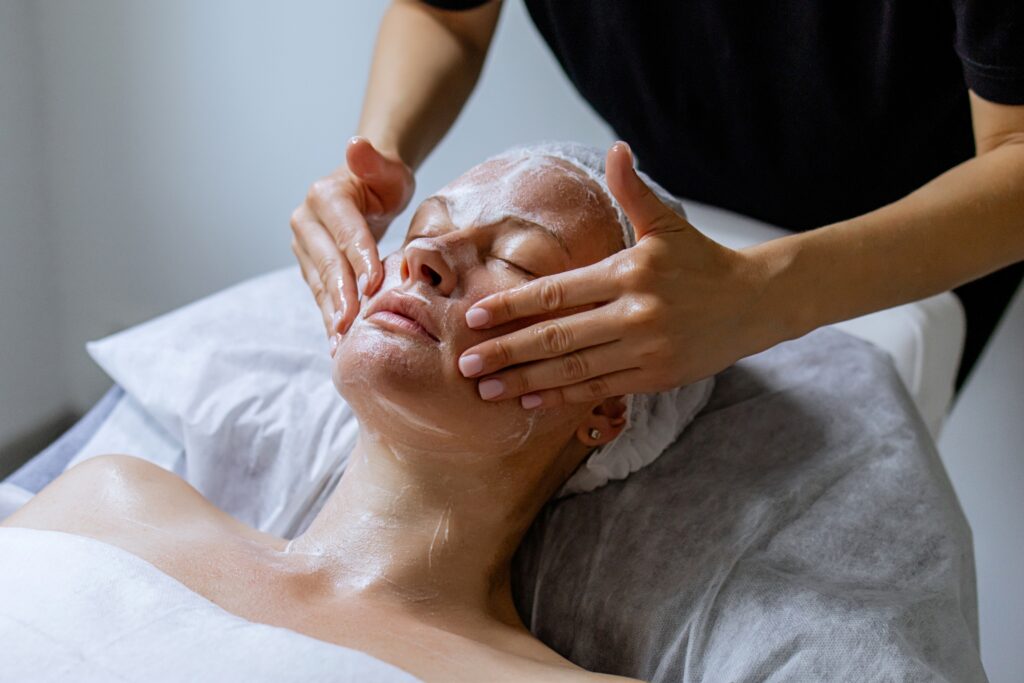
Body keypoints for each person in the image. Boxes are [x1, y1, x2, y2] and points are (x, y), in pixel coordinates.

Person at [1, 146, 697, 682]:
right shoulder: (111, 499)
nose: (424, 254)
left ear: (605, 407)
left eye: (517, 262)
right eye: (423, 227)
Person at [291, 0, 1024, 405]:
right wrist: (380, 153)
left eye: (517, 260)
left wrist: (764, 294)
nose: (422, 257)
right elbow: (448, 13)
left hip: (913, 241)